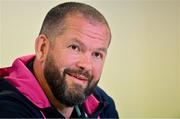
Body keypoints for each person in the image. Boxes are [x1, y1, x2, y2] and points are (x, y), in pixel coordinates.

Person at [0, 2, 119, 118]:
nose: (86, 65)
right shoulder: (7, 108)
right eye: (74, 47)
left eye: (97, 54)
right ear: (43, 48)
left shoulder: (102, 104)